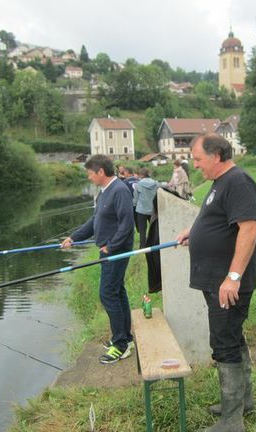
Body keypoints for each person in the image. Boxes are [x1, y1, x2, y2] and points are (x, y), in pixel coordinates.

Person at [176, 133, 256, 432]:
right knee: (232, 337)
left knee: (224, 343)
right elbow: (219, 218)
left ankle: (232, 421)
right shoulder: (220, 182)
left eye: (198, 159)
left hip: (227, 282)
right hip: (215, 280)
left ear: (216, 156)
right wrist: (194, 231)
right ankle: (242, 402)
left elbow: (249, 229)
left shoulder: (238, 181)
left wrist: (233, 277)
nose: (195, 165)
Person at [62, 155, 135, 364]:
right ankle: (125, 338)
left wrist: (111, 246)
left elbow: (127, 224)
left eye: (90, 173)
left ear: (101, 172)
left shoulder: (119, 190)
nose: (88, 177)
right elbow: (95, 220)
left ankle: (120, 345)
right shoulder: (105, 192)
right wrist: (74, 238)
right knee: (117, 291)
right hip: (108, 251)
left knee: (108, 294)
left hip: (115, 252)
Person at [133, 167, 158, 248]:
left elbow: (135, 199)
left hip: (141, 210)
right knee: (154, 229)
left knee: (142, 230)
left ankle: (142, 247)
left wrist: (134, 206)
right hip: (153, 210)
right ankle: (154, 244)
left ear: (141, 175)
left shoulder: (138, 185)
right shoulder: (156, 184)